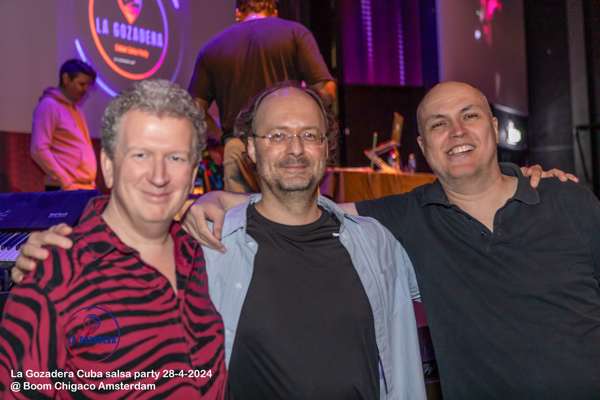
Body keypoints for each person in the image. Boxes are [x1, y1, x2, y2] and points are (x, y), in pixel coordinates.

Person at [127, 82, 600, 399]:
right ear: (423, 147)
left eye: (469, 116)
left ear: (494, 129)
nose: (456, 132)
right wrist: (217, 198)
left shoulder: (568, 202)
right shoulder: (404, 219)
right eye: (438, 124)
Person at [13, 83, 427, 400]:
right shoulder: (203, 248)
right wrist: (45, 262)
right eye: (277, 136)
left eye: (309, 135)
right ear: (251, 150)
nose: (295, 149)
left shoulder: (376, 245)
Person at [1, 80, 226, 398]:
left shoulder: (193, 252)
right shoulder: (54, 271)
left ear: (192, 175)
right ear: (108, 166)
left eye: (175, 158)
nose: (159, 176)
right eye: (141, 155)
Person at [188, 0, 336, 193]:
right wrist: (311, 130)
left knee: (241, 210)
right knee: (295, 208)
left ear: (238, 13)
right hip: (287, 142)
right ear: (274, 10)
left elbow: (194, 109)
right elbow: (326, 91)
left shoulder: (212, 47)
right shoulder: (295, 33)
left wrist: (218, 140)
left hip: (238, 146)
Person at [31, 59, 98, 190]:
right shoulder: (49, 105)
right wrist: (66, 182)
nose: (85, 90)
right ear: (66, 79)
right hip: (66, 188)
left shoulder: (77, 110)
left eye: (88, 85)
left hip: (82, 187)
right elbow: (38, 149)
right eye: (81, 84)